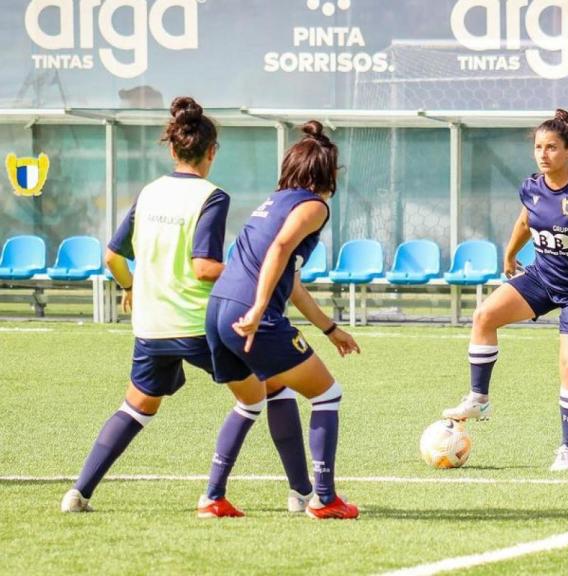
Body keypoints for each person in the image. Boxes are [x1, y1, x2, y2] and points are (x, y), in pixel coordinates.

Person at [61, 98, 315, 516]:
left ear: (172, 149)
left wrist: (129, 287)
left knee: (137, 406)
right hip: (200, 324)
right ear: (211, 151)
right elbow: (203, 267)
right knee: (271, 388)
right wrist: (246, 271)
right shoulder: (211, 197)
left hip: (150, 326)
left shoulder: (149, 192)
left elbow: (112, 257)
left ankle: (79, 493)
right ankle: (297, 494)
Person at [442, 109, 568, 471]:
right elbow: (524, 219)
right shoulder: (531, 186)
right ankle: (479, 398)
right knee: (484, 316)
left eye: (551, 148)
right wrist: (511, 253)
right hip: (541, 279)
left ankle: (567, 451)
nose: (543, 154)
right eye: (538, 147)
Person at [201, 120, 361, 519]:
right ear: (327, 173)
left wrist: (330, 329)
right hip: (248, 314)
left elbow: (289, 281)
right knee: (327, 394)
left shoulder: (272, 202)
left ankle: (213, 497)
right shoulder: (313, 206)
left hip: (219, 309)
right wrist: (257, 310)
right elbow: (281, 247)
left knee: (252, 401)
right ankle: (323, 499)